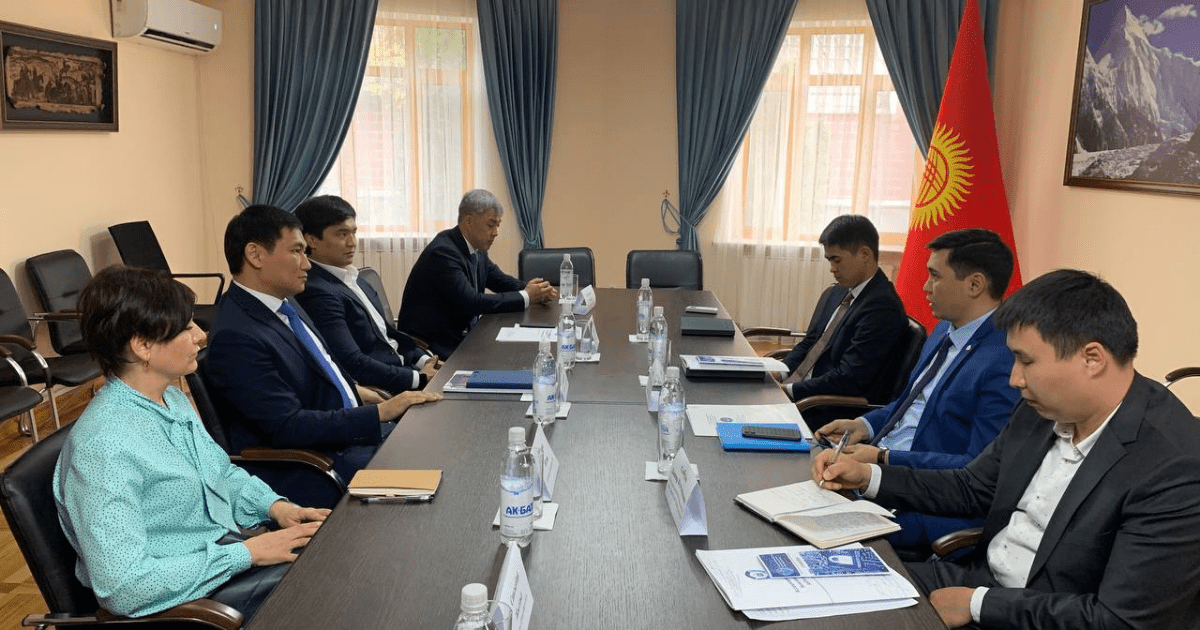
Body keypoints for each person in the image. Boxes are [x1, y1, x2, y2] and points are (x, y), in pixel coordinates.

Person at [814, 269, 1200, 629]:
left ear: (1092, 359)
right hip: (978, 581)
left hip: (1039, 613)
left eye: (1025, 361)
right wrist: (868, 476)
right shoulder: (1044, 408)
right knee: (825, 586)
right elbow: (972, 487)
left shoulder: (1175, 466)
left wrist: (979, 605)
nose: (1015, 378)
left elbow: (1119, 620)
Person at [53, 265, 330, 622]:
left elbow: (219, 473)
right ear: (143, 346)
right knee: (332, 583)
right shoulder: (104, 448)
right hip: (187, 607)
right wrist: (248, 553)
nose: (200, 335)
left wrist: (275, 507)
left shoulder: (170, 399)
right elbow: (124, 587)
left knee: (335, 555)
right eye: (186, 327)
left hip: (219, 564)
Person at [205, 205, 440, 506]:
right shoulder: (236, 335)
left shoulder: (284, 302)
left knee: (439, 439)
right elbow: (288, 426)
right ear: (256, 255)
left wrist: (358, 392)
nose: (307, 264)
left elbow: (321, 366)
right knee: (437, 467)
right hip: (317, 464)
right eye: (296, 251)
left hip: (347, 438)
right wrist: (380, 413)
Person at [814, 229, 1020, 550]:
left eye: (935, 276)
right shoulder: (945, 328)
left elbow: (977, 468)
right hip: (873, 473)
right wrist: (864, 425)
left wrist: (883, 458)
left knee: (809, 535)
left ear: (975, 285)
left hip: (921, 503)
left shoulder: (1004, 361)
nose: (924, 287)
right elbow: (911, 403)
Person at [294, 195, 438, 395]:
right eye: (342, 234)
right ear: (311, 240)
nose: (352, 243)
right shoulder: (317, 292)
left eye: (354, 232)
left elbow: (388, 335)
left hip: (409, 370)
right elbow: (352, 362)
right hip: (389, 389)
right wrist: (419, 378)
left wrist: (425, 361)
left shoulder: (356, 278)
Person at [397, 189, 557, 358]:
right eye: (490, 224)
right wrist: (526, 296)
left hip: (458, 335)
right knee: (505, 358)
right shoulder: (444, 252)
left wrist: (535, 289)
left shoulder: (477, 249)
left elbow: (499, 280)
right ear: (469, 221)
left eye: (497, 225)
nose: (495, 232)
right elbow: (471, 302)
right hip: (430, 345)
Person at [778, 215, 908, 413]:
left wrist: (789, 391)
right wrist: (780, 372)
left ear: (865, 254)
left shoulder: (882, 308)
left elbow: (849, 379)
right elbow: (810, 342)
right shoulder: (839, 291)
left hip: (823, 406)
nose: (832, 269)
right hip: (803, 391)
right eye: (829, 260)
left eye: (836, 260)